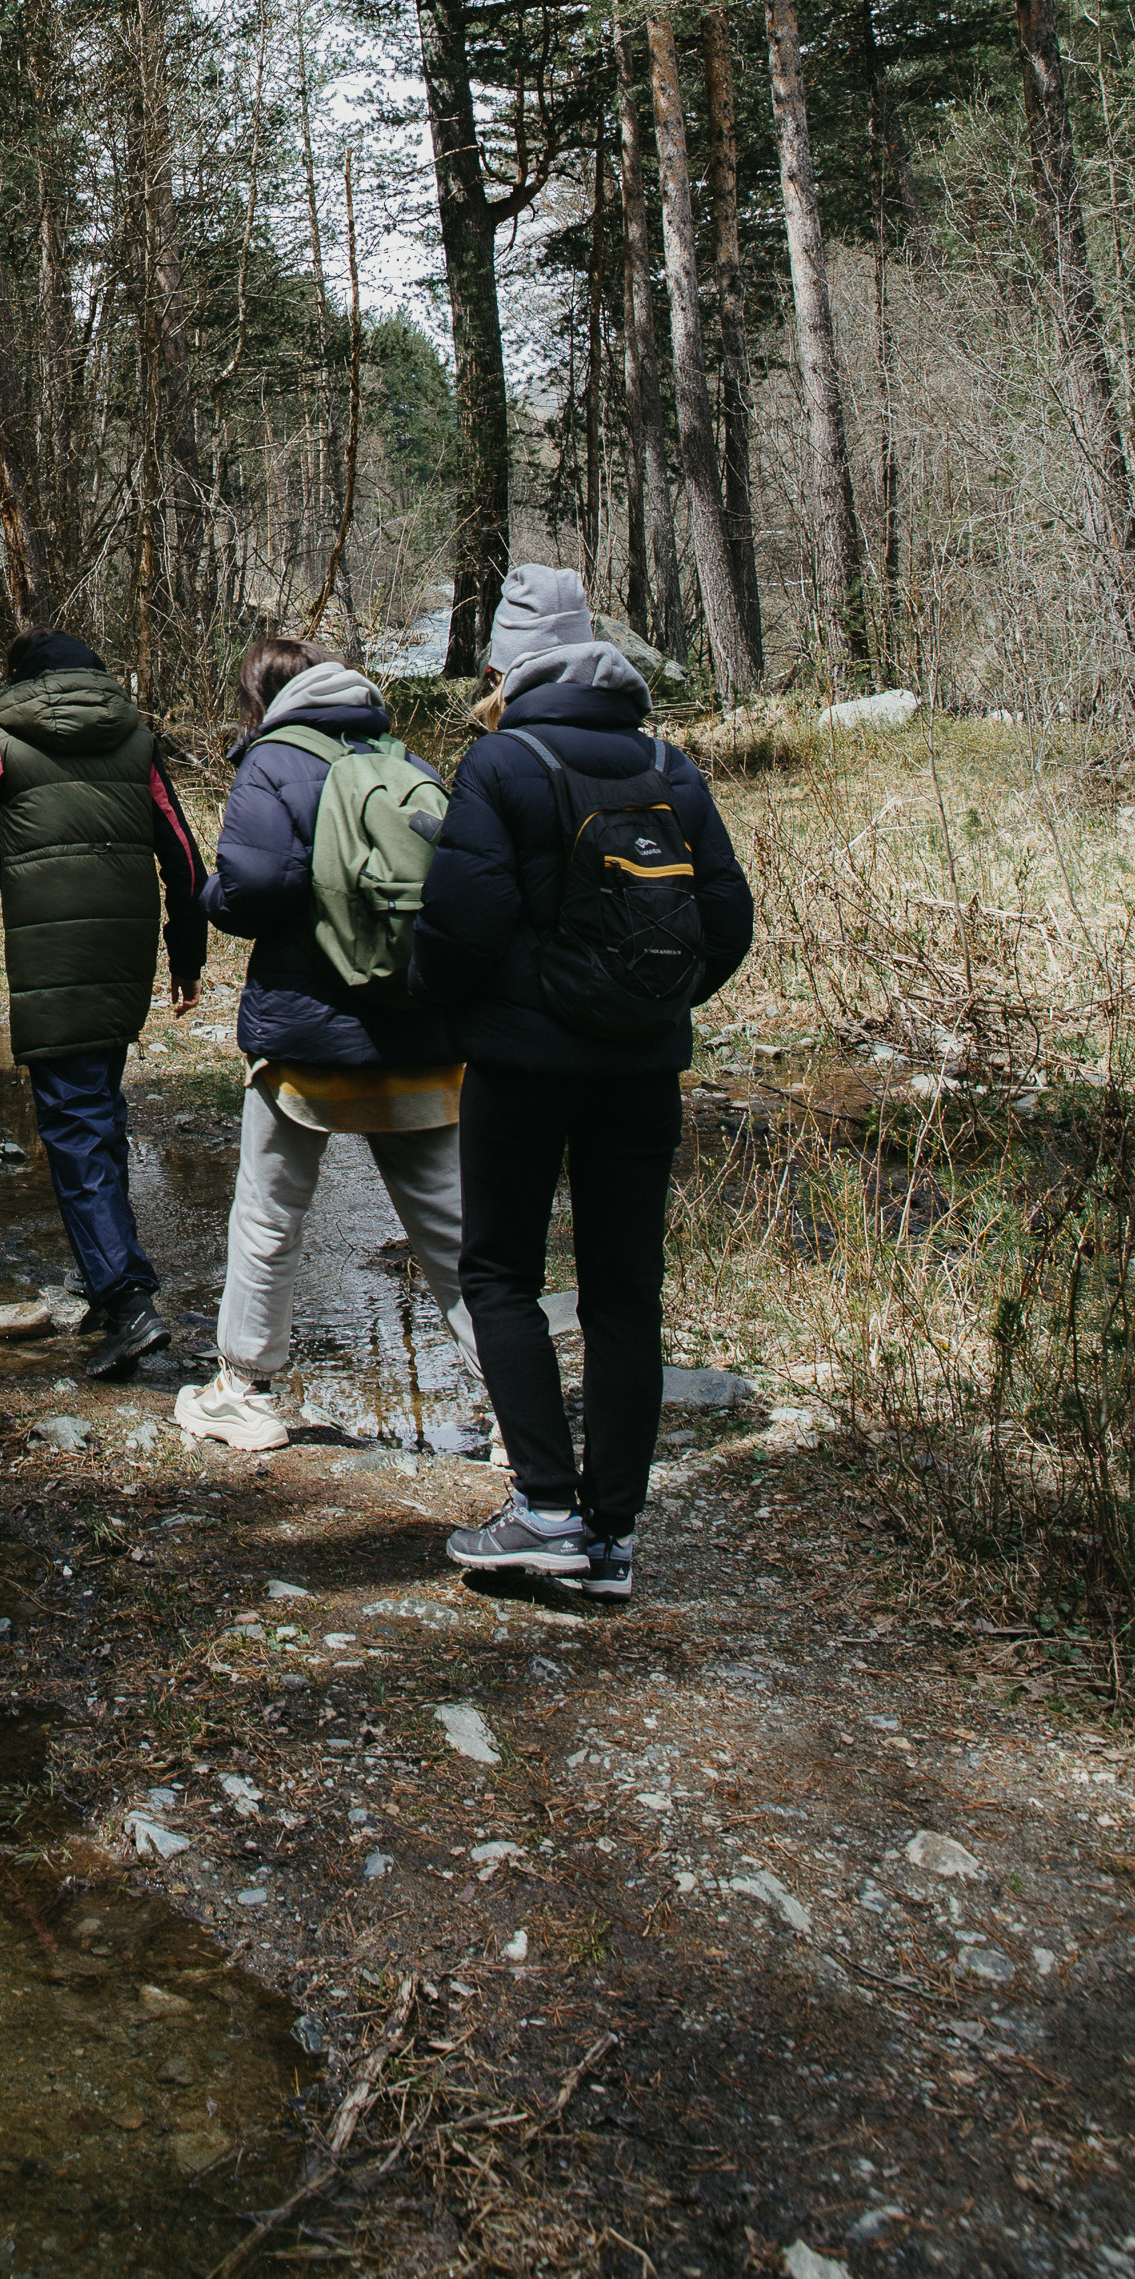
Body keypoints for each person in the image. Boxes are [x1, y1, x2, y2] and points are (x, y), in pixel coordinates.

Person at [414, 565, 753, 1601]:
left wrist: (449, 1007)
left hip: (520, 1071)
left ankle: (545, 1513)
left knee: (500, 1276)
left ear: (508, 663)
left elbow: (460, 927)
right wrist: (648, 1004)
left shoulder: (499, 762)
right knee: (622, 1296)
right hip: (640, 1075)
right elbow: (727, 924)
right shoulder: (670, 765)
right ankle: (611, 1536)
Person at [175, 633, 480, 1454]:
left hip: (309, 1032)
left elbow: (256, 888)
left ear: (260, 698)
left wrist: (207, 892)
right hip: (418, 1028)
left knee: (270, 1214)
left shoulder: (271, 762)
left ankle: (243, 1390)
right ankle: (518, 1405)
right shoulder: (402, 754)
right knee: (452, 1228)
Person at [0, 628, 209, 1380]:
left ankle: (127, 1298)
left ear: (24, 681)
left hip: (52, 958)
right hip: (125, 959)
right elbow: (183, 856)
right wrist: (188, 960)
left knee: (77, 1124)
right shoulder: (138, 743)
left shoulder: (2, 746)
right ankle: (103, 1273)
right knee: (98, 1108)